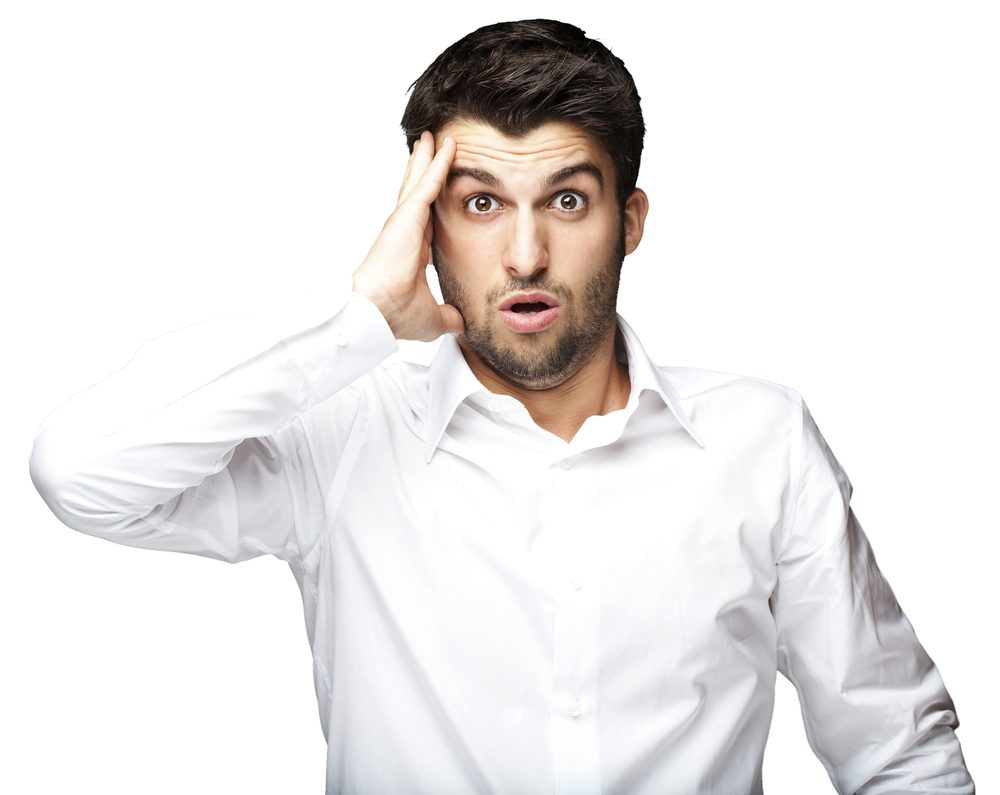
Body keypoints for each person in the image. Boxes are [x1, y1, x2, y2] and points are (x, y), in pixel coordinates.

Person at [29, 18, 973, 795]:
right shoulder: (344, 433)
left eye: (566, 200)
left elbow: (899, 750)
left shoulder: (760, 442)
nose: (524, 256)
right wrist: (357, 321)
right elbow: (83, 472)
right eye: (480, 205)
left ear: (629, 221)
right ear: (426, 221)